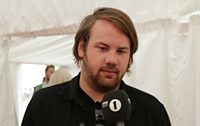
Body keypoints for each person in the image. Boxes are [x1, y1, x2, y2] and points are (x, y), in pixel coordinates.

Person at [22, 7, 171, 126]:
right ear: (81, 48)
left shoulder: (151, 111)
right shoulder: (44, 104)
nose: (112, 60)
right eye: (103, 48)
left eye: (121, 51)